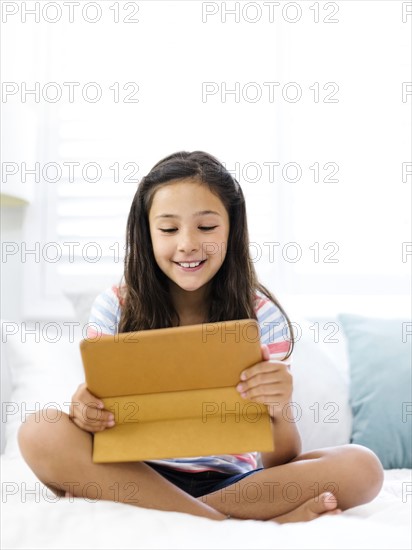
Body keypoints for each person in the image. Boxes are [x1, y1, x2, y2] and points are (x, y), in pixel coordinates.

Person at [18, 151, 384, 522]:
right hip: (138, 475)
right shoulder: (116, 306)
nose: (188, 244)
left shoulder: (261, 314)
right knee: (39, 431)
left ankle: (190, 513)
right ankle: (226, 522)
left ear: (232, 229)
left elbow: (282, 461)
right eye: (168, 229)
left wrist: (280, 407)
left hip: (233, 483)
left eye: (207, 228)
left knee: (363, 467)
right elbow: (98, 426)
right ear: (146, 234)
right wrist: (85, 411)